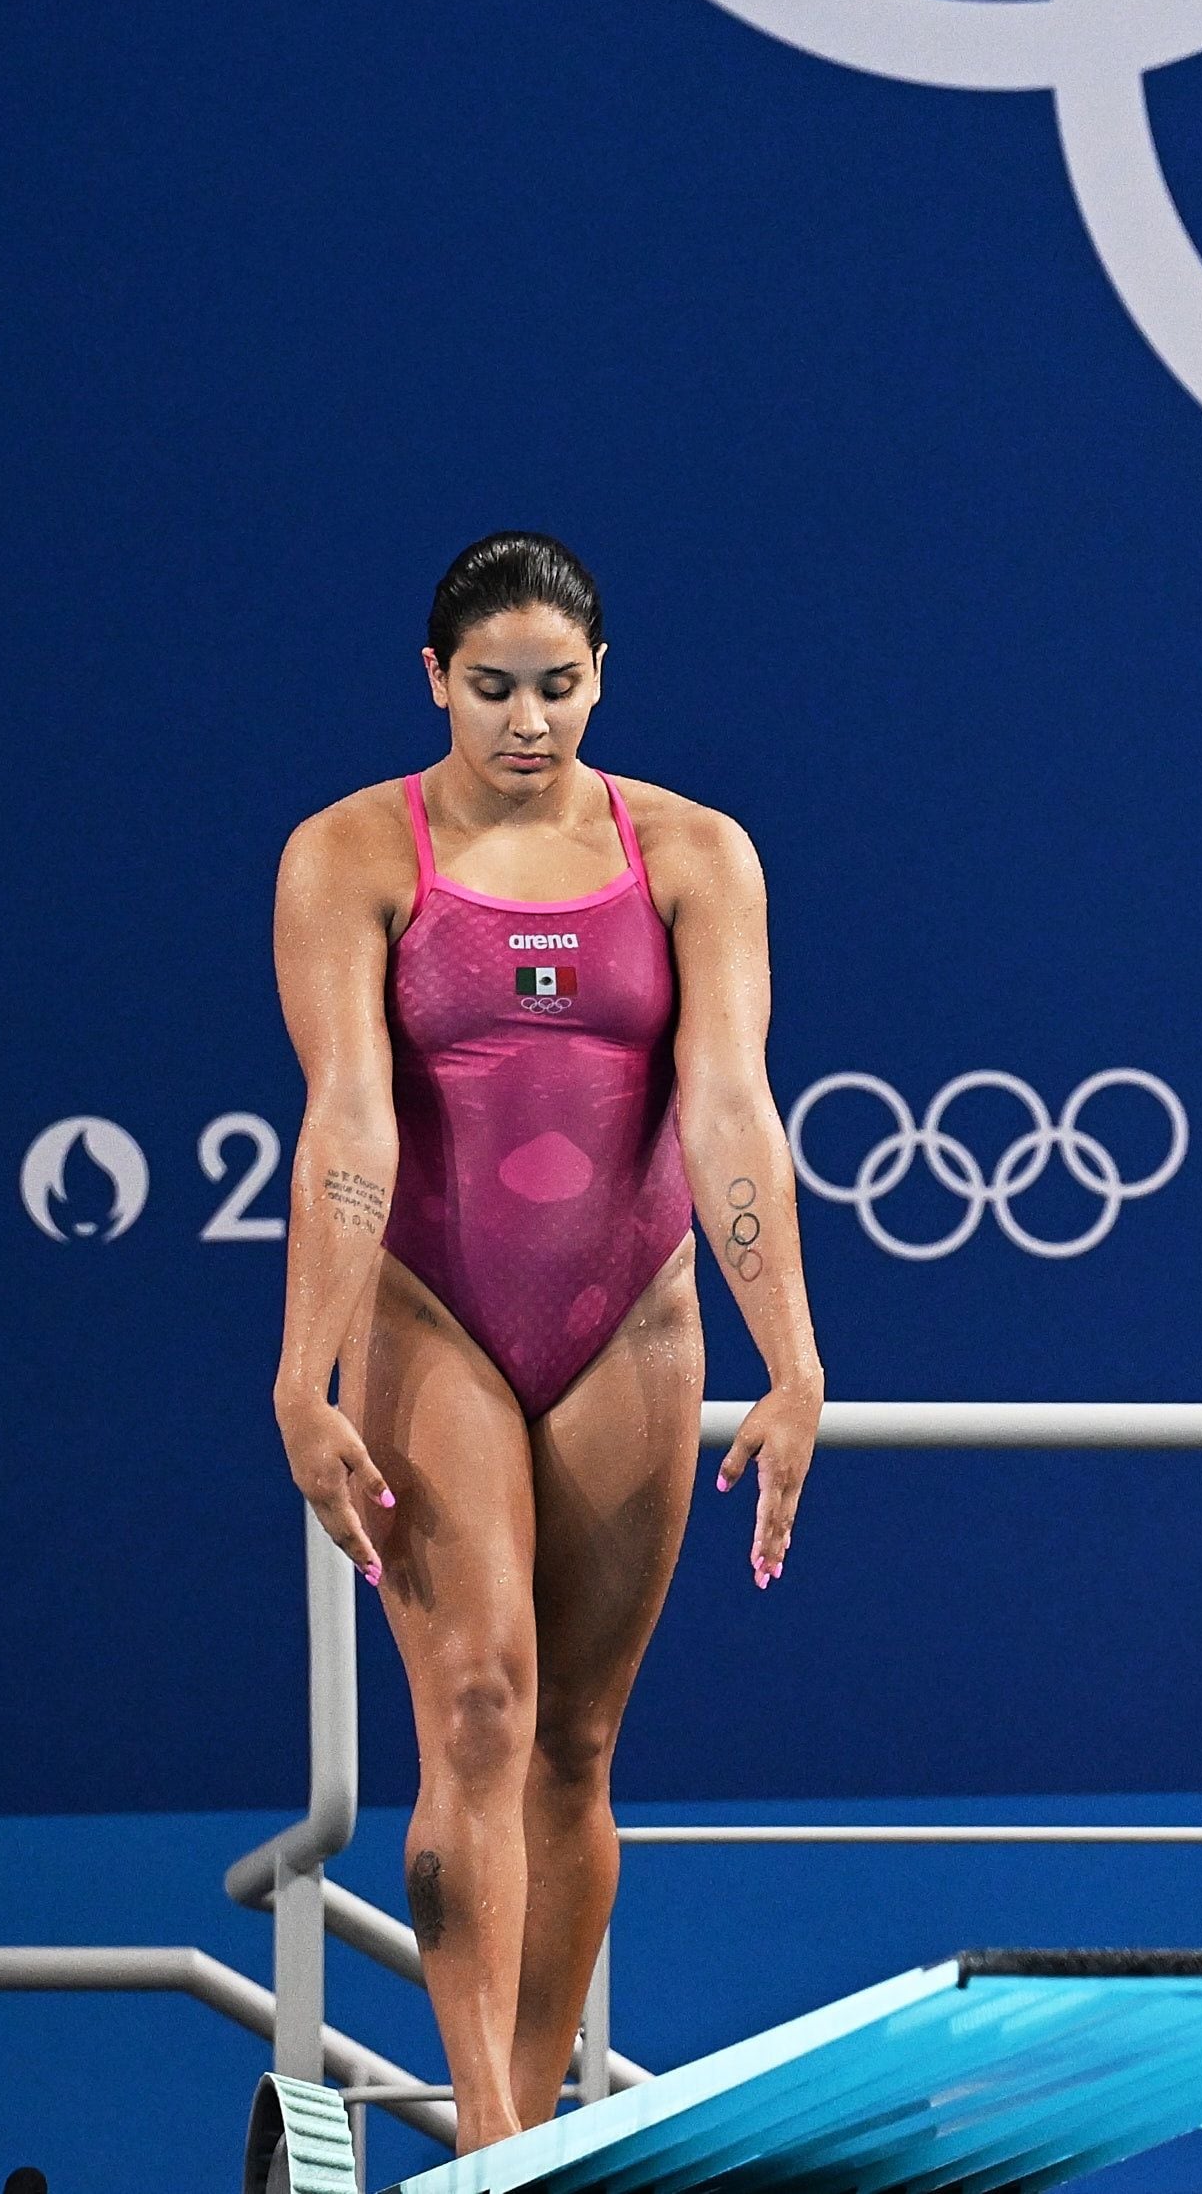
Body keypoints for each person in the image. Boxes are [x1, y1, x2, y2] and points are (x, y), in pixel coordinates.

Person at [269, 529, 827, 2143]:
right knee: (483, 1706)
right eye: (494, 688)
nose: (529, 720)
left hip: (630, 1314)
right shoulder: (352, 854)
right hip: (434, 1309)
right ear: (433, 678)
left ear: (603, 679)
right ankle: (498, 2140)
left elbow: (729, 1106)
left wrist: (792, 1359)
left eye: (560, 688)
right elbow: (349, 1125)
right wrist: (305, 1374)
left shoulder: (697, 855)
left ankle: (528, 2132)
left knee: (576, 1740)